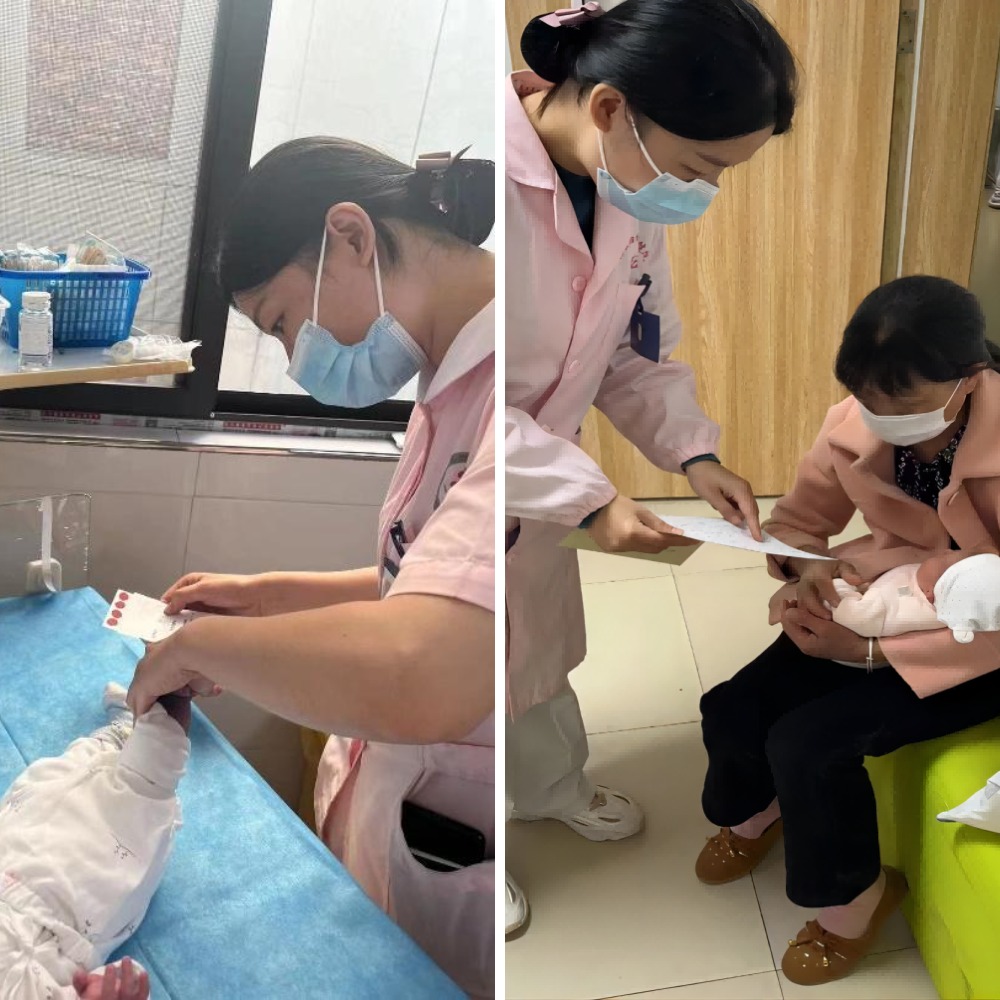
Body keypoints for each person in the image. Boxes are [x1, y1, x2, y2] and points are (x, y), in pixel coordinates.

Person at [125, 138, 496, 999]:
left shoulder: (509, 393)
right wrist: (268, 599)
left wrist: (198, 650)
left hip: (450, 801)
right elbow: (425, 580)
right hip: (390, 783)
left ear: (351, 237)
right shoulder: (447, 374)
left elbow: (424, 664)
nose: (297, 359)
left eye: (283, 323)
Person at [504, 0, 797, 932]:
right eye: (702, 168)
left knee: (537, 655)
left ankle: (550, 788)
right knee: (458, 672)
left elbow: (634, 354)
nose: (701, 193)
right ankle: (467, 848)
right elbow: (466, 406)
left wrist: (695, 453)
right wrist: (592, 501)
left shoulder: (625, 190)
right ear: (610, 108)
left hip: (542, 492)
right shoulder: (476, 194)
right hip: (465, 484)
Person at [696, 275, 1000, 986]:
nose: (881, 417)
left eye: (905, 403)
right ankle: (756, 809)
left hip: (978, 644)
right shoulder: (855, 423)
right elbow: (801, 521)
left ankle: (855, 901)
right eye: (868, 397)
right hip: (885, 595)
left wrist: (872, 653)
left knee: (809, 744)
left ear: (969, 377)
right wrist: (804, 569)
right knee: (734, 707)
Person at [0, 684, 189, 1000]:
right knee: (152, 772)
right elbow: (124, 980)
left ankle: (115, 735)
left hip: (13, 850)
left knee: (60, 778)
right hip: (78, 910)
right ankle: (177, 682)